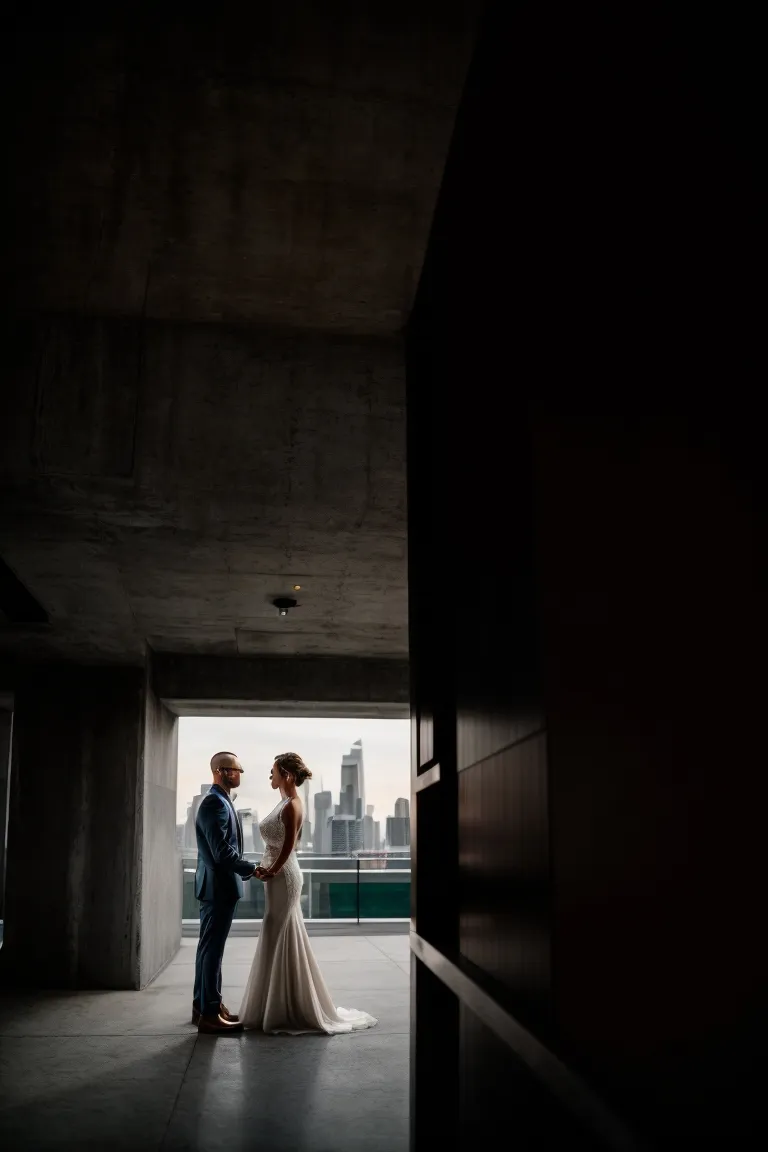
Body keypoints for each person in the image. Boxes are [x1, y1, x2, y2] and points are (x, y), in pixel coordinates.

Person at [240, 752, 378, 1034]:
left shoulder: (292, 805)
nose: (270, 776)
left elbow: (289, 845)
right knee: (279, 932)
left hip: (285, 876)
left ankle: (287, 1007)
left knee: (278, 931)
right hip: (279, 876)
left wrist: (272, 871)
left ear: (286, 775)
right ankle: (276, 1003)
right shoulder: (284, 802)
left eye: (273, 771)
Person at [192, 751, 260, 1034]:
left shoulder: (221, 801)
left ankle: (206, 1006)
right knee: (213, 951)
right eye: (235, 770)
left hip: (216, 887)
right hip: (218, 888)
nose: (239, 775)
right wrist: (251, 868)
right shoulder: (214, 803)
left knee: (208, 949)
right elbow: (222, 853)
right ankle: (208, 1013)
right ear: (220, 771)